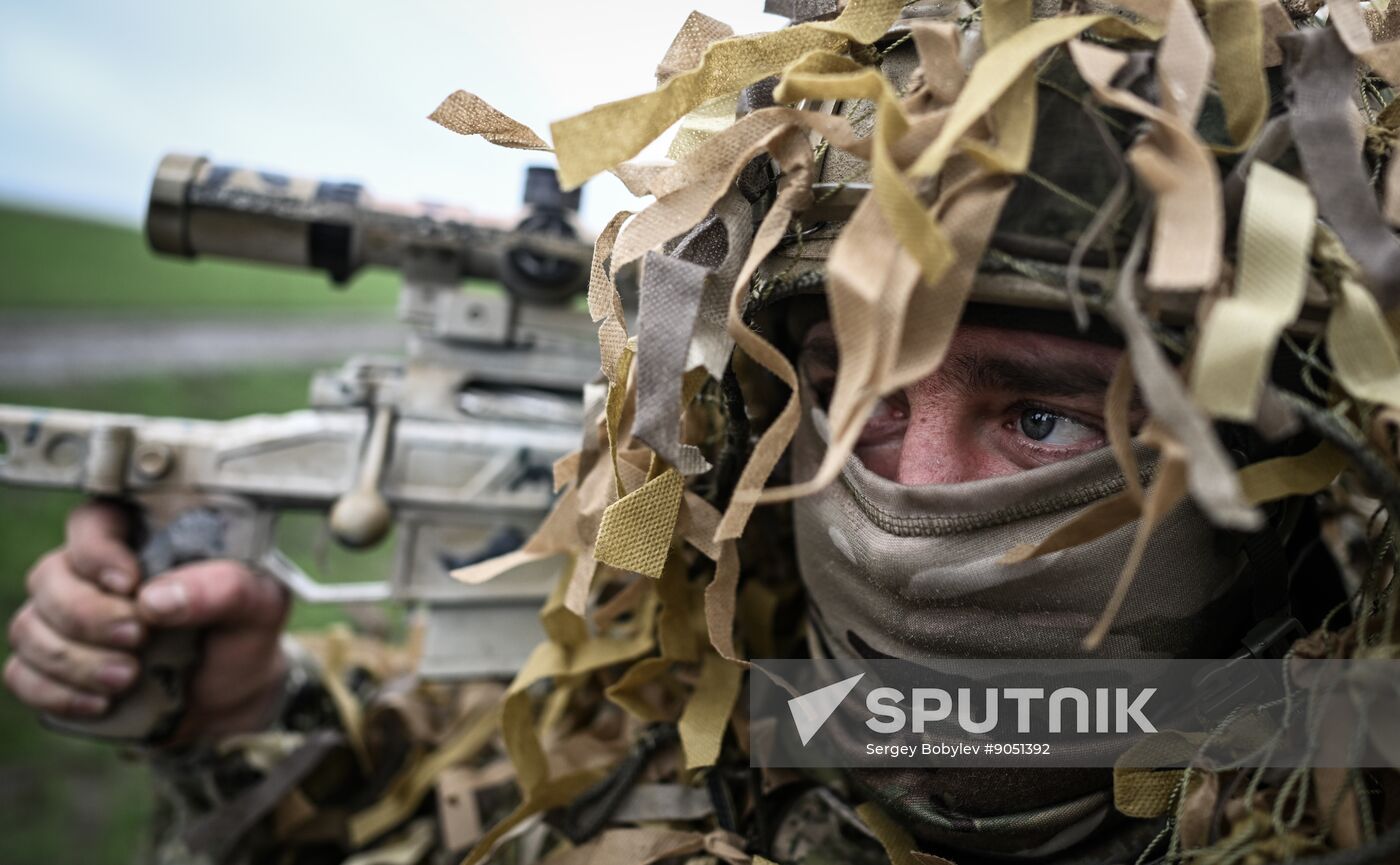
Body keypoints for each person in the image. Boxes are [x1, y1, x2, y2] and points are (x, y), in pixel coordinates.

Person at [7, 1, 1400, 863]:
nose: (905, 507)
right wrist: (243, 716)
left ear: (1276, 467)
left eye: (1036, 415)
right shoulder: (699, 763)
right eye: (853, 399)